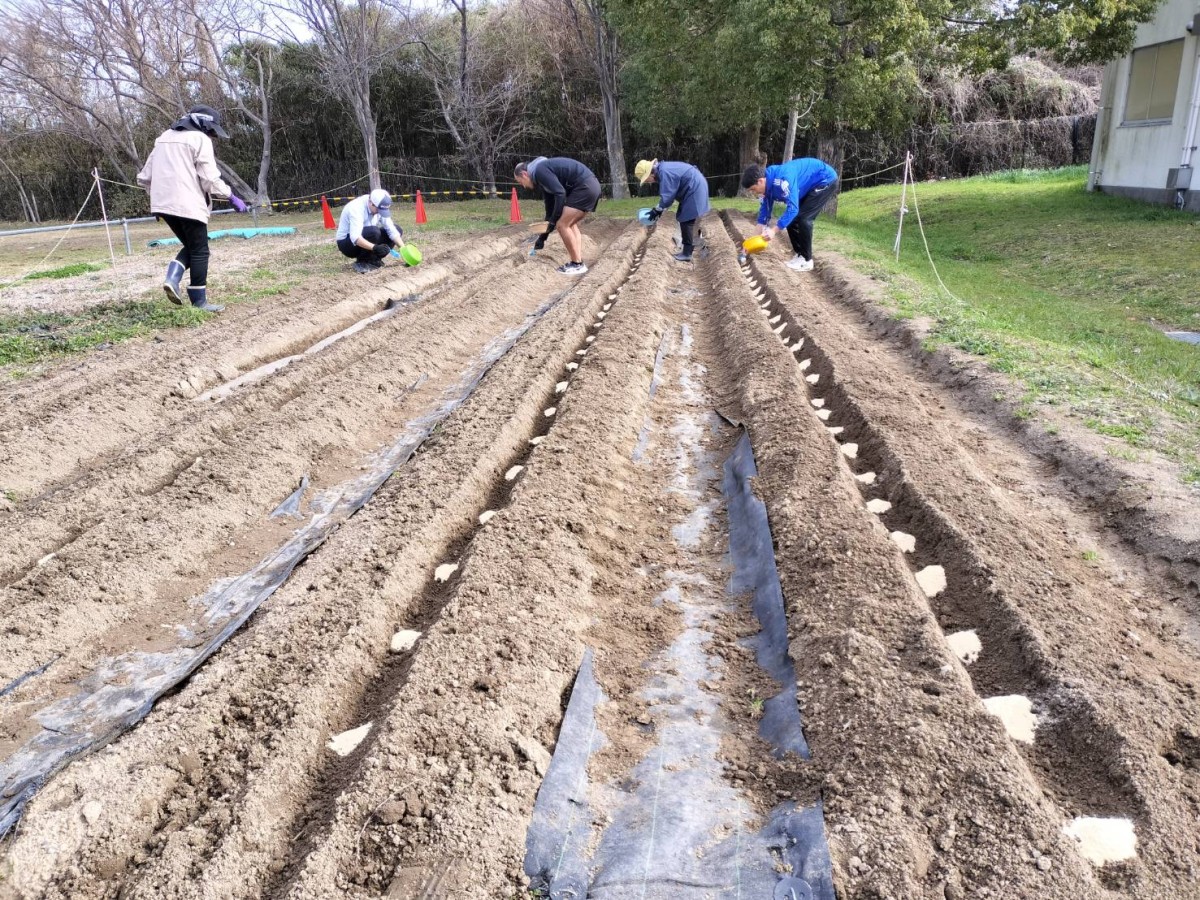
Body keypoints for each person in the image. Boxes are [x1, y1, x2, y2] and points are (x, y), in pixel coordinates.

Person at [138, 105, 247, 312]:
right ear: (204, 125)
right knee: (200, 251)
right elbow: (210, 179)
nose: (212, 135)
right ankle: (199, 302)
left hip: (163, 204)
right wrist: (230, 196)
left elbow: (145, 176)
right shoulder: (199, 139)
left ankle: (173, 277)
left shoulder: (163, 138)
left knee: (193, 246)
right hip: (188, 203)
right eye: (212, 130)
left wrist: (158, 201)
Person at [741, 158, 839, 272]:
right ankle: (800, 255)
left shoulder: (783, 181)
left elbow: (793, 209)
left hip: (824, 179)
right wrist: (749, 246)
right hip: (807, 185)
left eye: (753, 189)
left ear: (760, 181)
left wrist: (773, 231)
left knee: (804, 219)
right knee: (791, 220)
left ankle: (807, 260)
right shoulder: (766, 189)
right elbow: (763, 218)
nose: (754, 193)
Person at [514, 157, 601, 276]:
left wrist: (554, 221)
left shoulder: (540, 171)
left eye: (520, 182)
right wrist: (542, 237)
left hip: (584, 187)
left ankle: (577, 264)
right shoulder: (543, 175)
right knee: (570, 224)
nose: (523, 186)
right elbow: (549, 211)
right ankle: (578, 261)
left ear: (524, 174)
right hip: (591, 186)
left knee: (562, 225)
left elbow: (560, 193)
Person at [635, 159, 711, 262]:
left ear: (649, 173)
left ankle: (687, 253)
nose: (647, 182)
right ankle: (687, 251)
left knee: (686, 220)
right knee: (684, 217)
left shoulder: (664, 173)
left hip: (694, 188)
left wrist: (657, 210)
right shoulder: (663, 170)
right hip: (694, 186)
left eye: (646, 179)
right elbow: (669, 195)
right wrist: (659, 209)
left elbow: (667, 197)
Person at [335, 189, 405, 274]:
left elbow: (391, 229)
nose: (380, 213)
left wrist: (403, 249)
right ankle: (362, 262)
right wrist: (375, 248)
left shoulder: (379, 206)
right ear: (371, 203)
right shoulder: (356, 208)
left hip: (366, 236)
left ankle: (374, 260)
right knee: (374, 232)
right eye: (378, 210)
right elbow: (355, 237)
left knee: (397, 229)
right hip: (347, 243)